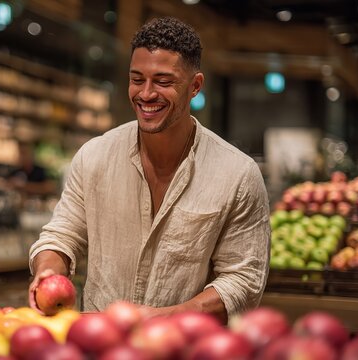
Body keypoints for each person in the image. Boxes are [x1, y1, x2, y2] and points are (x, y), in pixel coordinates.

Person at [28, 17, 270, 323]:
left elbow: (243, 282)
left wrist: (161, 317)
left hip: (184, 347)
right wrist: (48, 271)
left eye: (163, 81)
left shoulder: (237, 174)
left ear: (194, 86)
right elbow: (61, 236)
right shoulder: (95, 157)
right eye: (137, 79)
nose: (146, 93)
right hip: (99, 343)